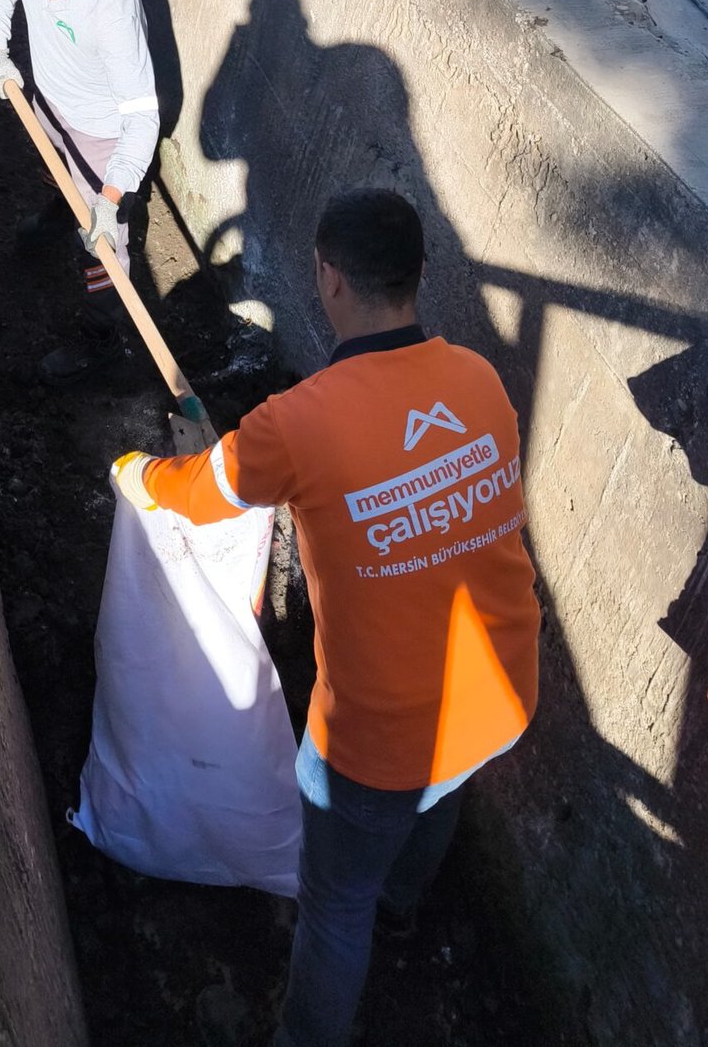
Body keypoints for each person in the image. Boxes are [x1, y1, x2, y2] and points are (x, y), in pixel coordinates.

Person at [114, 187, 540, 1047]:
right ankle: (404, 906)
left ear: (327, 276)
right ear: (421, 274)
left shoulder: (300, 421)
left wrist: (136, 472)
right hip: (499, 694)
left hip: (376, 742)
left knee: (334, 904)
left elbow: (201, 492)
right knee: (440, 790)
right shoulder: (479, 379)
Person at [0, 0, 160, 378]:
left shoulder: (114, 5)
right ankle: (62, 211)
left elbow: (142, 115)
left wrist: (111, 195)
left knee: (104, 246)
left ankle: (102, 340)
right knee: (54, 168)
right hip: (50, 99)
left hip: (102, 129)